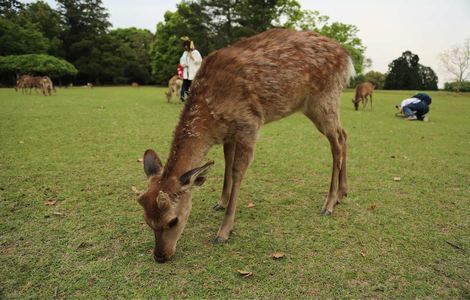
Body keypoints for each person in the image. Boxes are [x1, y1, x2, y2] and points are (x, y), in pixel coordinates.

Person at [179, 36, 202, 102]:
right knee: (185, 86)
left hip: (193, 73)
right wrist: (183, 65)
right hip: (186, 73)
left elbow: (199, 61)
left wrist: (192, 57)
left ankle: (193, 99)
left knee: (193, 86)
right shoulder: (185, 53)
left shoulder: (196, 52)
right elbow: (181, 61)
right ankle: (183, 97)